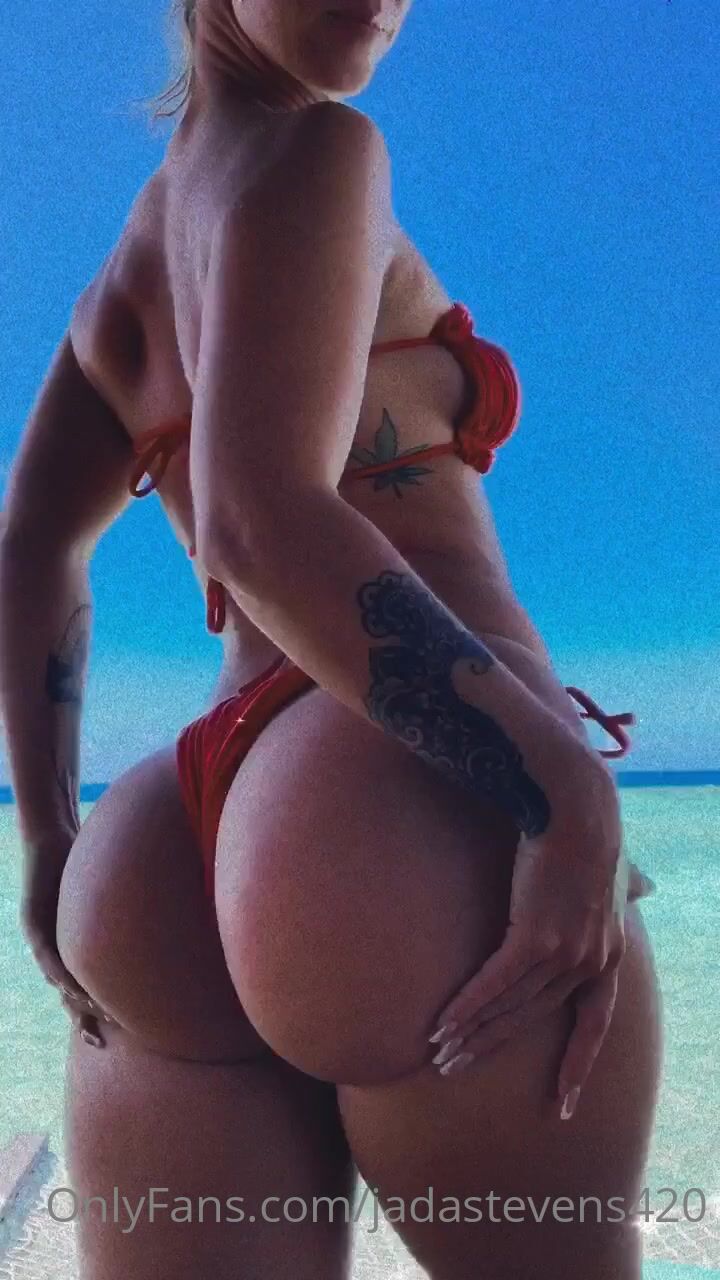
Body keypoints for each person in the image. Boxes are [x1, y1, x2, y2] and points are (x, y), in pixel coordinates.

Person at [0, 1, 661, 1276]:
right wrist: (561, 785)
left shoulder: (122, 282)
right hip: (393, 791)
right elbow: (255, 519)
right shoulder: (317, 149)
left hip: (164, 854)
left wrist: (46, 843)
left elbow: (31, 547)